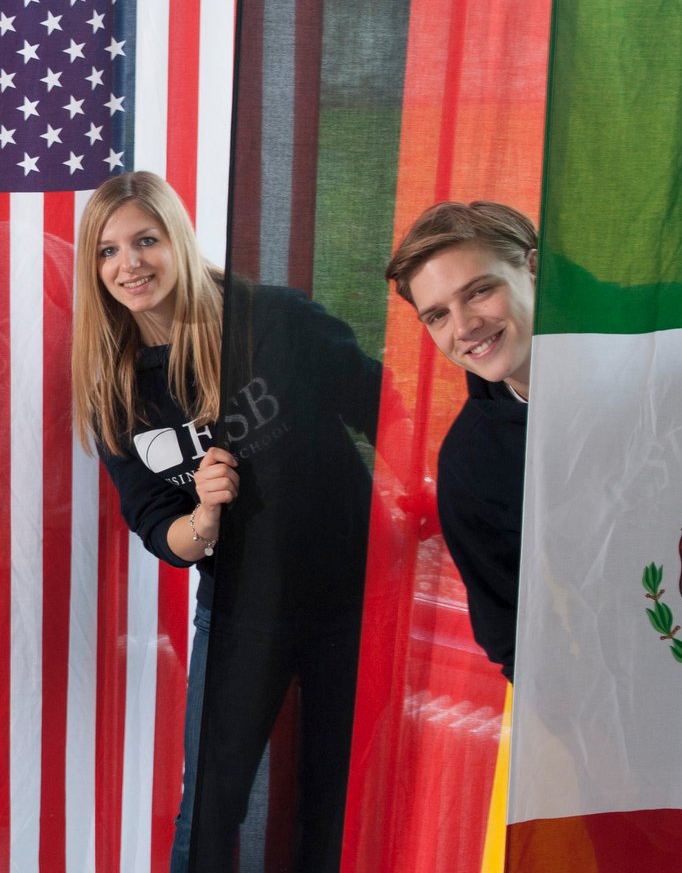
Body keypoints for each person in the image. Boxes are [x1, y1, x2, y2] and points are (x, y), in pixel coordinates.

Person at [74, 171, 376, 873]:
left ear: (177, 238)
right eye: (108, 251)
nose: (129, 264)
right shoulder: (114, 389)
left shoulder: (274, 319)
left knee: (336, 799)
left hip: (352, 601)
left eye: (145, 240)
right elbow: (162, 532)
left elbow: (384, 406)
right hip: (242, 609)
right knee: (209, 807)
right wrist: (205, 513)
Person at [385, 200, 537, 681]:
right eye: (438, 315)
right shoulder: (470, 463)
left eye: (480, 291)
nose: (465, 326)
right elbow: (510, 635)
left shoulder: (664, 350)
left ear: (534, 269)